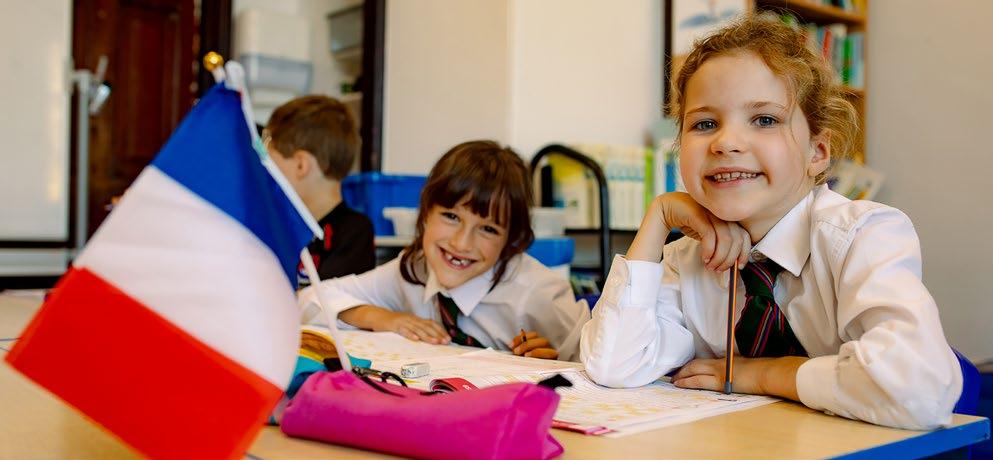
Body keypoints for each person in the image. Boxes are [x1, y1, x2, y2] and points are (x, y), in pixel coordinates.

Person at [580, 14, 961, 429]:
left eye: (765, 120)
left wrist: (764, 374)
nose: (726, 142)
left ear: (817, 152)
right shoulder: (683, 259)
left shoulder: (864, 235)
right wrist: (658, 217)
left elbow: (920, 388)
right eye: (705, 124)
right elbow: (614, 367)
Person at [299, 140, 591, 361]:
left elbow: (597, 364)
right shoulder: (414, 268)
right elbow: (309, 299)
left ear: (510, 241)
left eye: (488, 229)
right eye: (451, 217)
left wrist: (554, 367)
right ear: (425, 213)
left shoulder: (540, 294)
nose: (461, 244)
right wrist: (384, 318)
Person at [264, 96, 375, 285]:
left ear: (301, 165)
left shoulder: (354, 233)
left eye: (271, 165)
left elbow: (329, 298)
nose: (266, 175)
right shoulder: (279, 225)